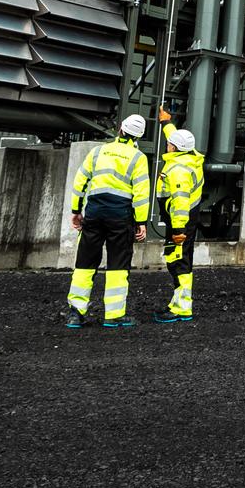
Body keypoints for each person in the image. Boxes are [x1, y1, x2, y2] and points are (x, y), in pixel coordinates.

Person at [64, 115, 151, 330]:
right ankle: (113, 315)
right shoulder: (138, 158)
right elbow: (141, 194)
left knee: (84, 263)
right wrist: (141, 222)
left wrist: (76, 210)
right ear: (139, 136)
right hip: (120, 216)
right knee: (118, 266)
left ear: (121, 129)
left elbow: (80, 182)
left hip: (93, 212)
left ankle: (76, 313)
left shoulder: (98, 152)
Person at [153, 112, 204, 323]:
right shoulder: (189, 157)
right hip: (182, 222)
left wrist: (178, 231)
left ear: (174, 147)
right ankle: (178, 303)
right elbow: (174, 136)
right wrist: (166, 122)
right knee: (178, 260)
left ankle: (182, 308)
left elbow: (181, 202)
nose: (167, 145)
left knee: (179, 262)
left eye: (169, 144)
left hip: (180, 222)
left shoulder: (179, 169)